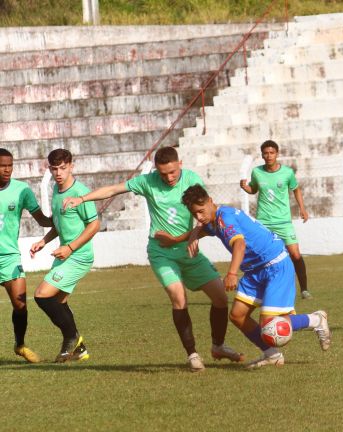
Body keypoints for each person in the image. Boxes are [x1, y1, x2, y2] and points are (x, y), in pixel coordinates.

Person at [63, 146, 242, 372]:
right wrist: (82, 198)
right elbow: (114, 189)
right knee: (179, 298)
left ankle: (218, 346)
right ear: (156, 169)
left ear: (180, 164)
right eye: (163, 173)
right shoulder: (147, 181)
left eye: (173, 172)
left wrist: (191, 235)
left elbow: (203, 213)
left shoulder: (192, 179)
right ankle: (193, 355)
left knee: (220, 299)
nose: (168, 177)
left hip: (187, 250)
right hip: (161, 252)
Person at [181, 184, 330, 369]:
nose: (199, 217)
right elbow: (204, 230)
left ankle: (316, 320)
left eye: (201, 211)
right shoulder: (214, 219)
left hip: (275, 265)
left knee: (270, 324)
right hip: (255, 271)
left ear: (211, 201)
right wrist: (192, 234)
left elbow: (240, 245)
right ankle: (272, 355)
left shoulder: (225, 218)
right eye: (194, 214)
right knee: (237, 316)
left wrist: (232, 273)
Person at [30, 149, 99, 362]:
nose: (58, 173)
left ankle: (72, 337)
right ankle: (79, 349)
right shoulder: (56, 192)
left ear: (71, 166)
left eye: (63, 168)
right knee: (59, 302)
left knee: (42, 295)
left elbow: (94, 225)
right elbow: (60, 225)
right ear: (49, 168)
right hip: (65, 256)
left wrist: (71, 248)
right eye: (54, 169)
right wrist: (43, 241)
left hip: (78, 256)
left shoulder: (80, 192)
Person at [240, 140, 313, 300]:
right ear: (262, 155)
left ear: (277, 154)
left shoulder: (287, 172)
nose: (269, 156)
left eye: (272, 153)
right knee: (264, 257)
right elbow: (254, 189)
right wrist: (247, 188)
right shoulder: (257, 172)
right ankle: (261, 291)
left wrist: (302, 208)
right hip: (264, 223)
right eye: (265, 153)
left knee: (295, 254)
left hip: (283, 222)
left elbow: (296, 189)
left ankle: (304, 289)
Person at [0, 148, 52, 363]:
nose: (7, 170)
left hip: (9, 256)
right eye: (3, 166)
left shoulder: (22, 190)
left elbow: (41, 219)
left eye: (10, 165)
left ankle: (20, 345)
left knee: (21, 304)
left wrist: (60, 218)